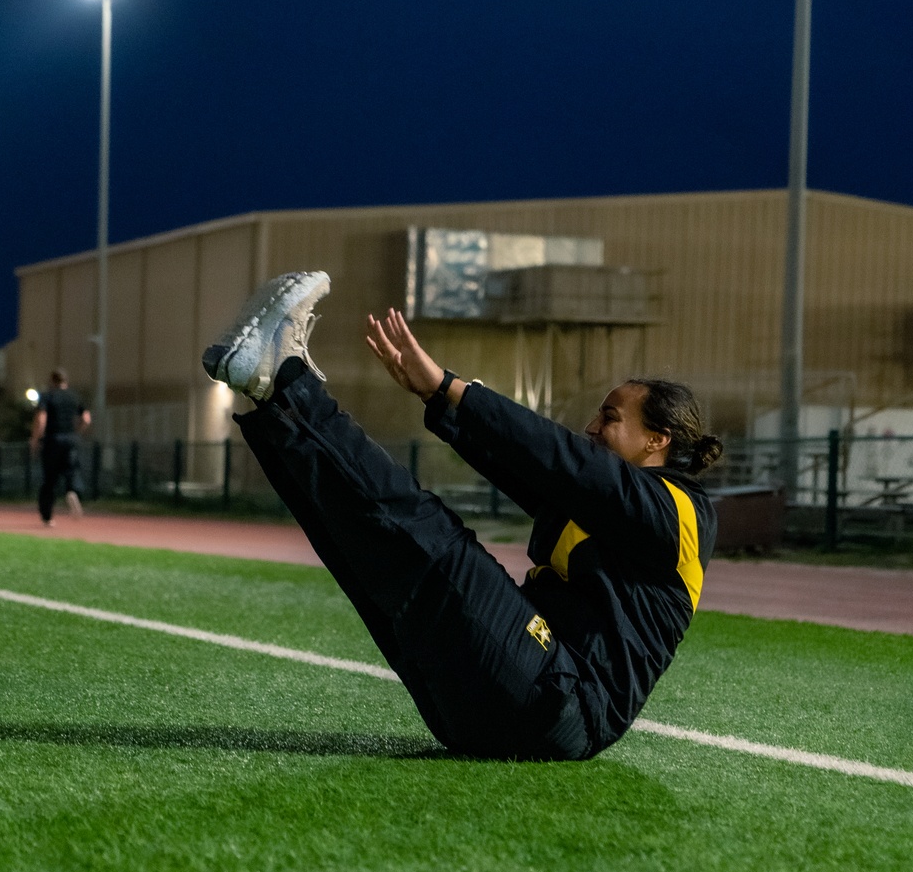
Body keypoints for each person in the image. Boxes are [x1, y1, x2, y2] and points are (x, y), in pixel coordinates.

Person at [203, 271, 722, 761]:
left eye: (609, 418)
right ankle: (270, 400)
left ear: (659, 440)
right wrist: (438, 399)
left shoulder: (681, 515)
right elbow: (524, 463)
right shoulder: (606, 509)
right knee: (370, 562)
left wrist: (451, 387)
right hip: (497, 704)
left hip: (563, 701)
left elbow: (564, 461)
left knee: (431, 541)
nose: (591, 425)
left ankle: (287, 378)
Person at [30, 368, 91, 526]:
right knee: (71, 470)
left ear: (52, 381)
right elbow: (86, 418)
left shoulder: (47, 397)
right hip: (70, 439)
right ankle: (72, 491)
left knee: (49, 479)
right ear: (66, 381)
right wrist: (76, 432)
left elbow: (41, 419)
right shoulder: (74, 397)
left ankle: (47, 517)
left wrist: (35, 439)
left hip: (52, 440)